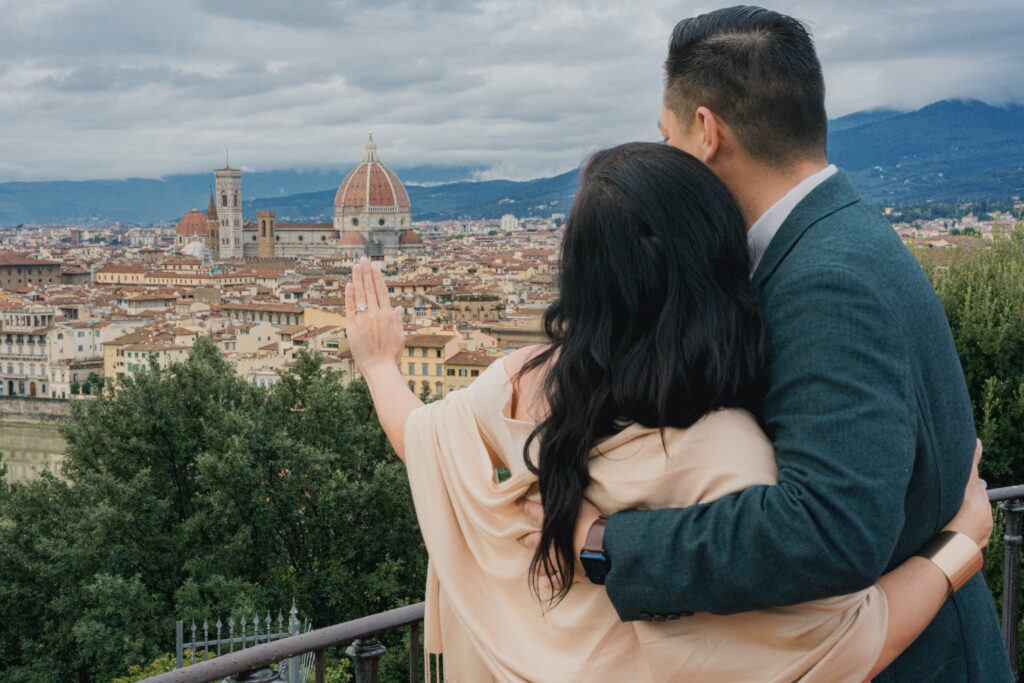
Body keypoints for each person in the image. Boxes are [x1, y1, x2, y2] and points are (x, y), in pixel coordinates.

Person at [345, 143, 992, 681]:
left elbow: (420, 439)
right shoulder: (723, 451)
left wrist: (379, 362)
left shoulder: (522, 381)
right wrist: (960, 545)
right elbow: (837, 649)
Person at [517, 7, 1011, 682]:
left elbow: (829, 529)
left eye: (665, 138)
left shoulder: (825, 279)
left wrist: (607, 545)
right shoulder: (834, 237)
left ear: (706, 132)